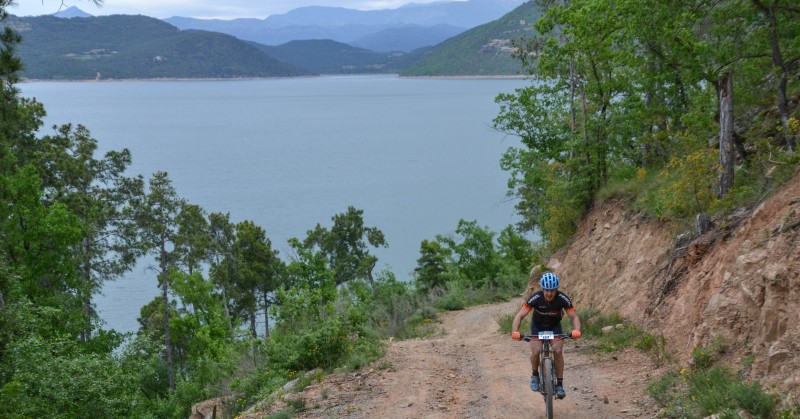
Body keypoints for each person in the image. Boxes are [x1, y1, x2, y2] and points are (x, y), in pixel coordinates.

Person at [511, 271, 581, 399]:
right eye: (547, 290)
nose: (549, 293)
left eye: (553, 290)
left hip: (554, 327)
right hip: (537, 327)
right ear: (542, 289)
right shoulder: (536, 298)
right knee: (536, 350)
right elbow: (520, 315)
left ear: (556, 290)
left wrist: (577, 330)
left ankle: (559, 384)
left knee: (558, 350)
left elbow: (574, 316)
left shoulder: (562, 298)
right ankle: (535, 375)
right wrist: (515, 331)